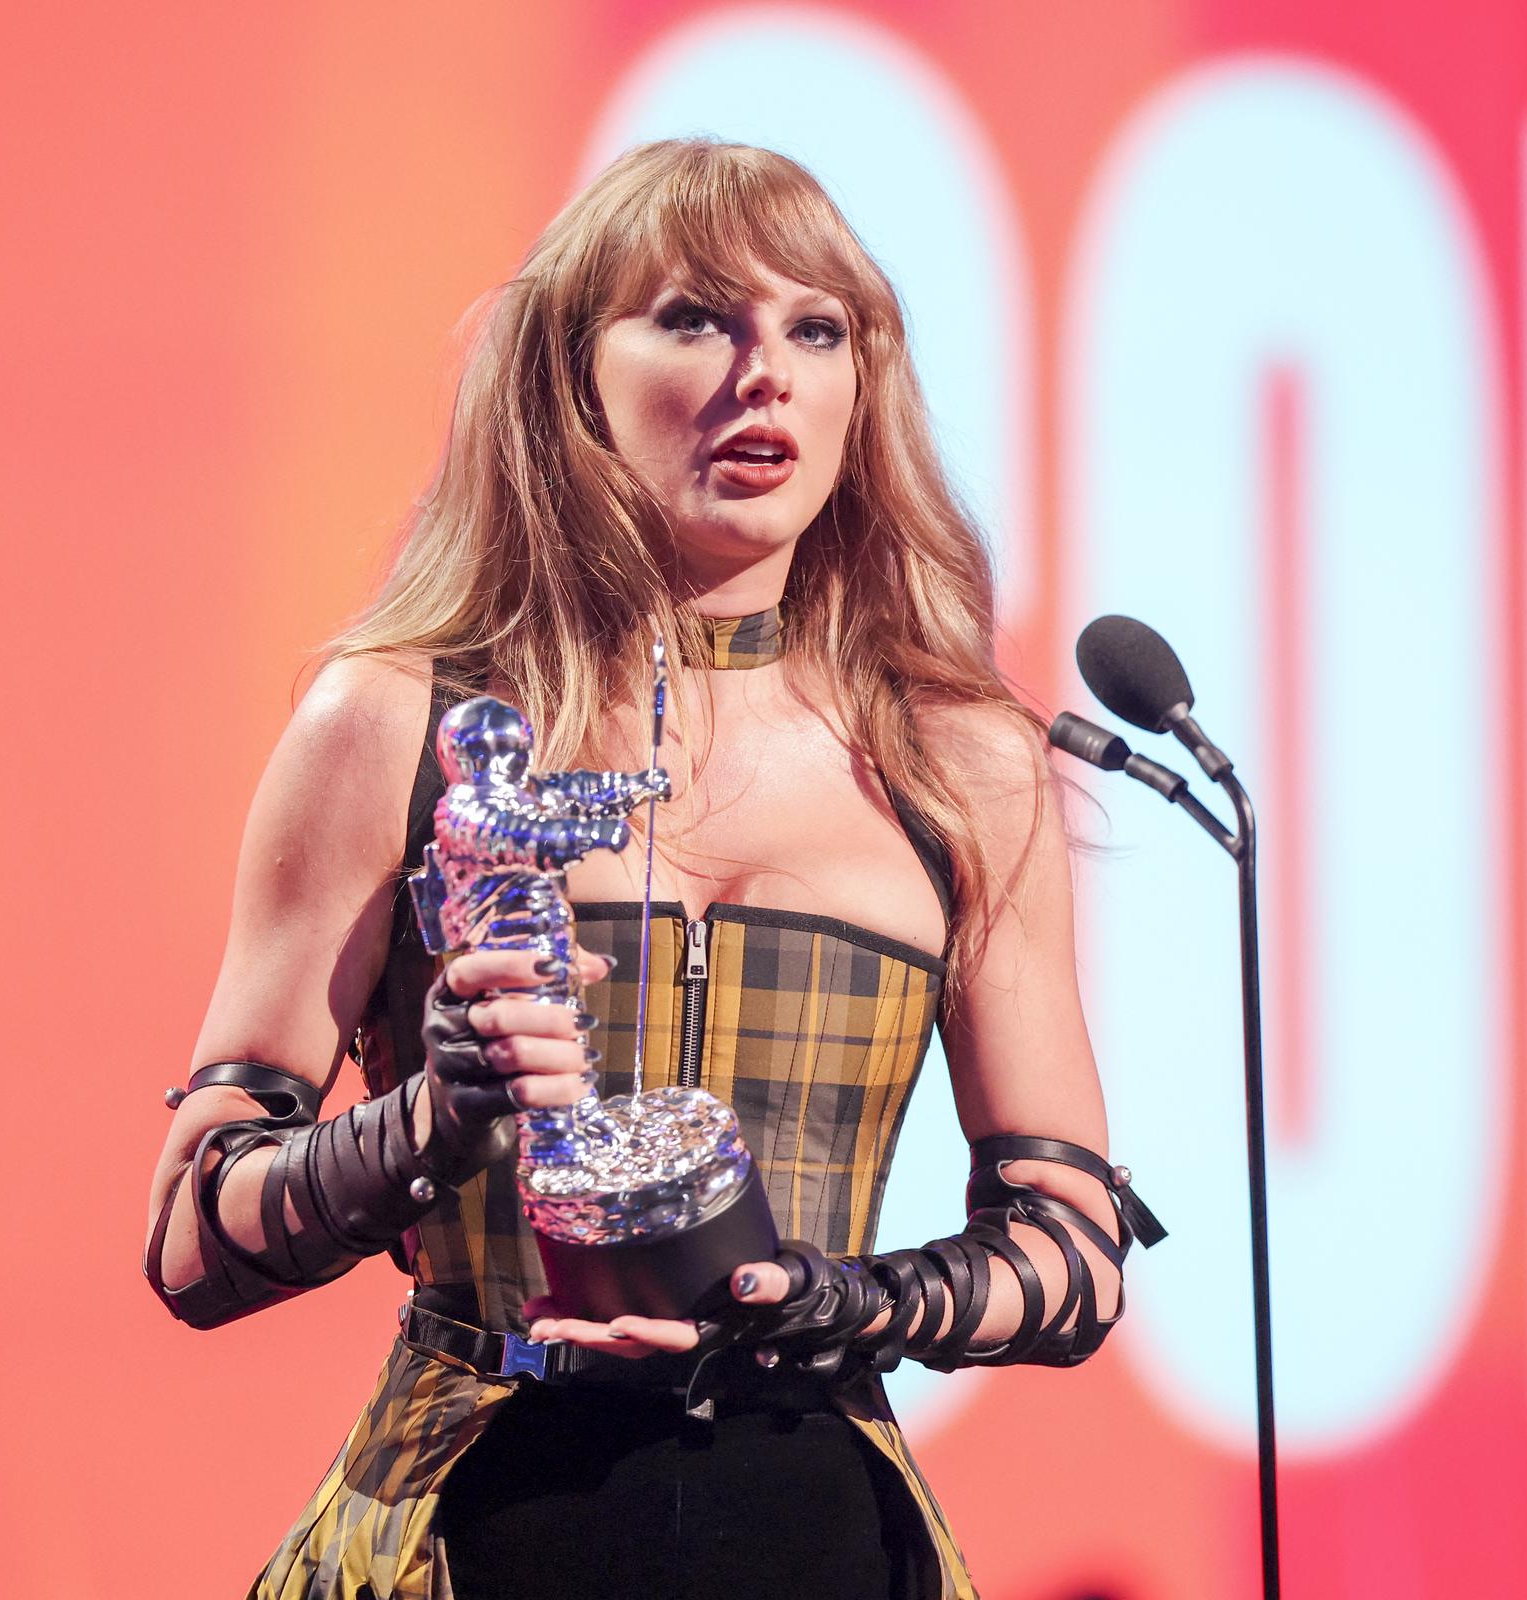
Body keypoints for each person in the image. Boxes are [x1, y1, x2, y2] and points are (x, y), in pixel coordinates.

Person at [141, 138, 1162, 1600]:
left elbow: (1072, 1249)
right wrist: (434, 1114)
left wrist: (846, 1300)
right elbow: (193, 1240)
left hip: (820, 1528)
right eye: (697, 316)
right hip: (468, 1520)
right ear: (572, 374)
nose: (768, 373)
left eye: (818, 328)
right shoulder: (396, 722)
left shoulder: (964, 761)